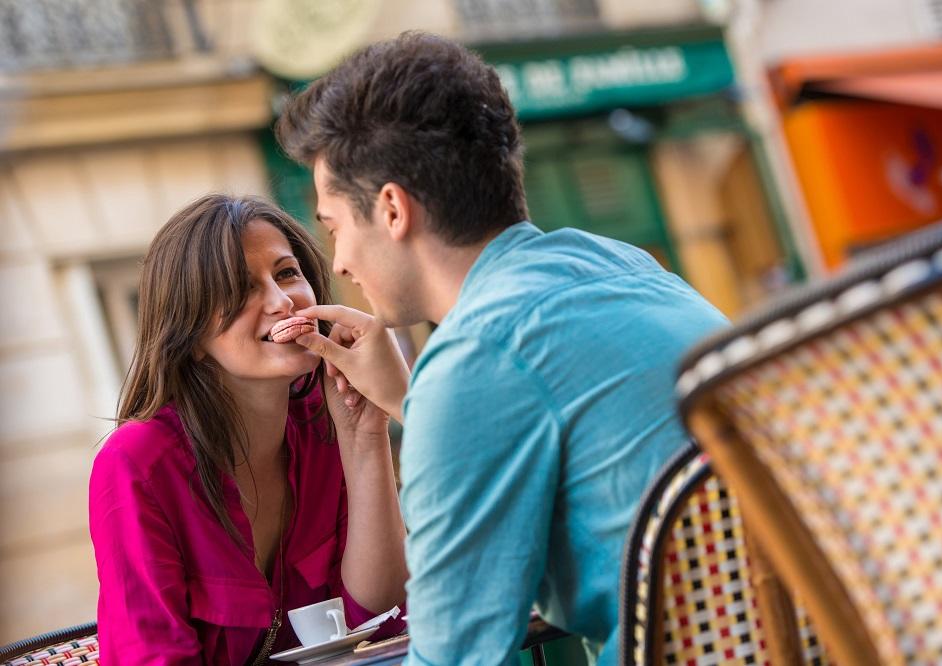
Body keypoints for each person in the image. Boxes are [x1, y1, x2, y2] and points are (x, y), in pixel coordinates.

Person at [277, 32, 729, 665]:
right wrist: (412, 400)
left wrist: (434, 397)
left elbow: (456, 655)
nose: (340, 263)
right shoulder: (624, 266)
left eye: (333, 228)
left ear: (392, 209)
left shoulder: (476, 360)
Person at [88, 194, 407, 665]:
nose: (282, 302)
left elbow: (380, 620)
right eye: (240, 288)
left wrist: (366, 436)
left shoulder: (327, 421)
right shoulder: (137, 463)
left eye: (286, 273)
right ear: (191, 334)